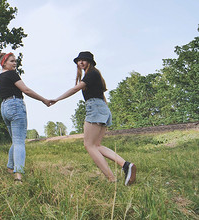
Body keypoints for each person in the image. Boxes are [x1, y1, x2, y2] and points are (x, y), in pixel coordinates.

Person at [51, 51, 136, 185]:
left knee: (89, 145)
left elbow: (75, 89)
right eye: (79, 61)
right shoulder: (95, 75)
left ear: (89, 62)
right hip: (102, 107)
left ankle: (111, 179)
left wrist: (57, 99)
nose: (81, 62)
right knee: (96, 145)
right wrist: (106, 112)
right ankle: (126, 165)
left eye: (84, 60)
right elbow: (102, 97)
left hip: (95, 108)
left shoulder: (91, 74)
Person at [0, 53, 51, 183]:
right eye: (12, 61)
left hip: (4, 108)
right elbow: (26, 90)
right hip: (15, 105)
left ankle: (10, 167)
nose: (15, 63)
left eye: (15, 61)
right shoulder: (12, 74)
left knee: (16, 141)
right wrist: (44, 100)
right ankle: (18, 177)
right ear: (4, 63)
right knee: (20, 142)